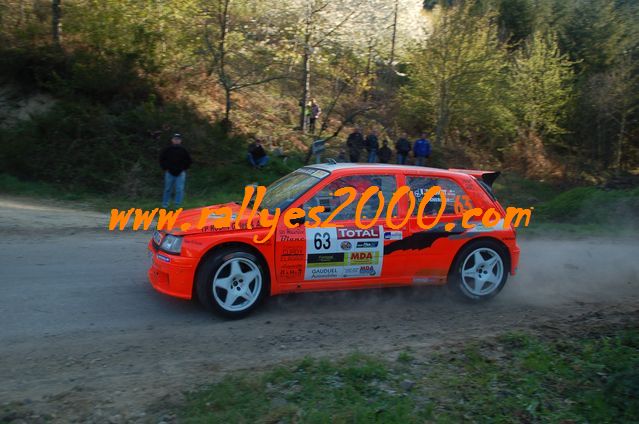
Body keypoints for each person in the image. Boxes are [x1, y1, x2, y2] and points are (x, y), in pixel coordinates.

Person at [160, 133, 192, 209]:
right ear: (172, 140)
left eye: (178, 139)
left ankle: (177, 205)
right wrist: (165, 168)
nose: (176, 140)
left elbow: (189, 161)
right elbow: (161, 159)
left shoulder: (184, 150)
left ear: (180, 141)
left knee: (179, 190)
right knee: (168, 189)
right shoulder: (167, 149)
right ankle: (165, 205)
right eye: (175, 139)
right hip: (169, 173)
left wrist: (183, 168)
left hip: (180, 173)